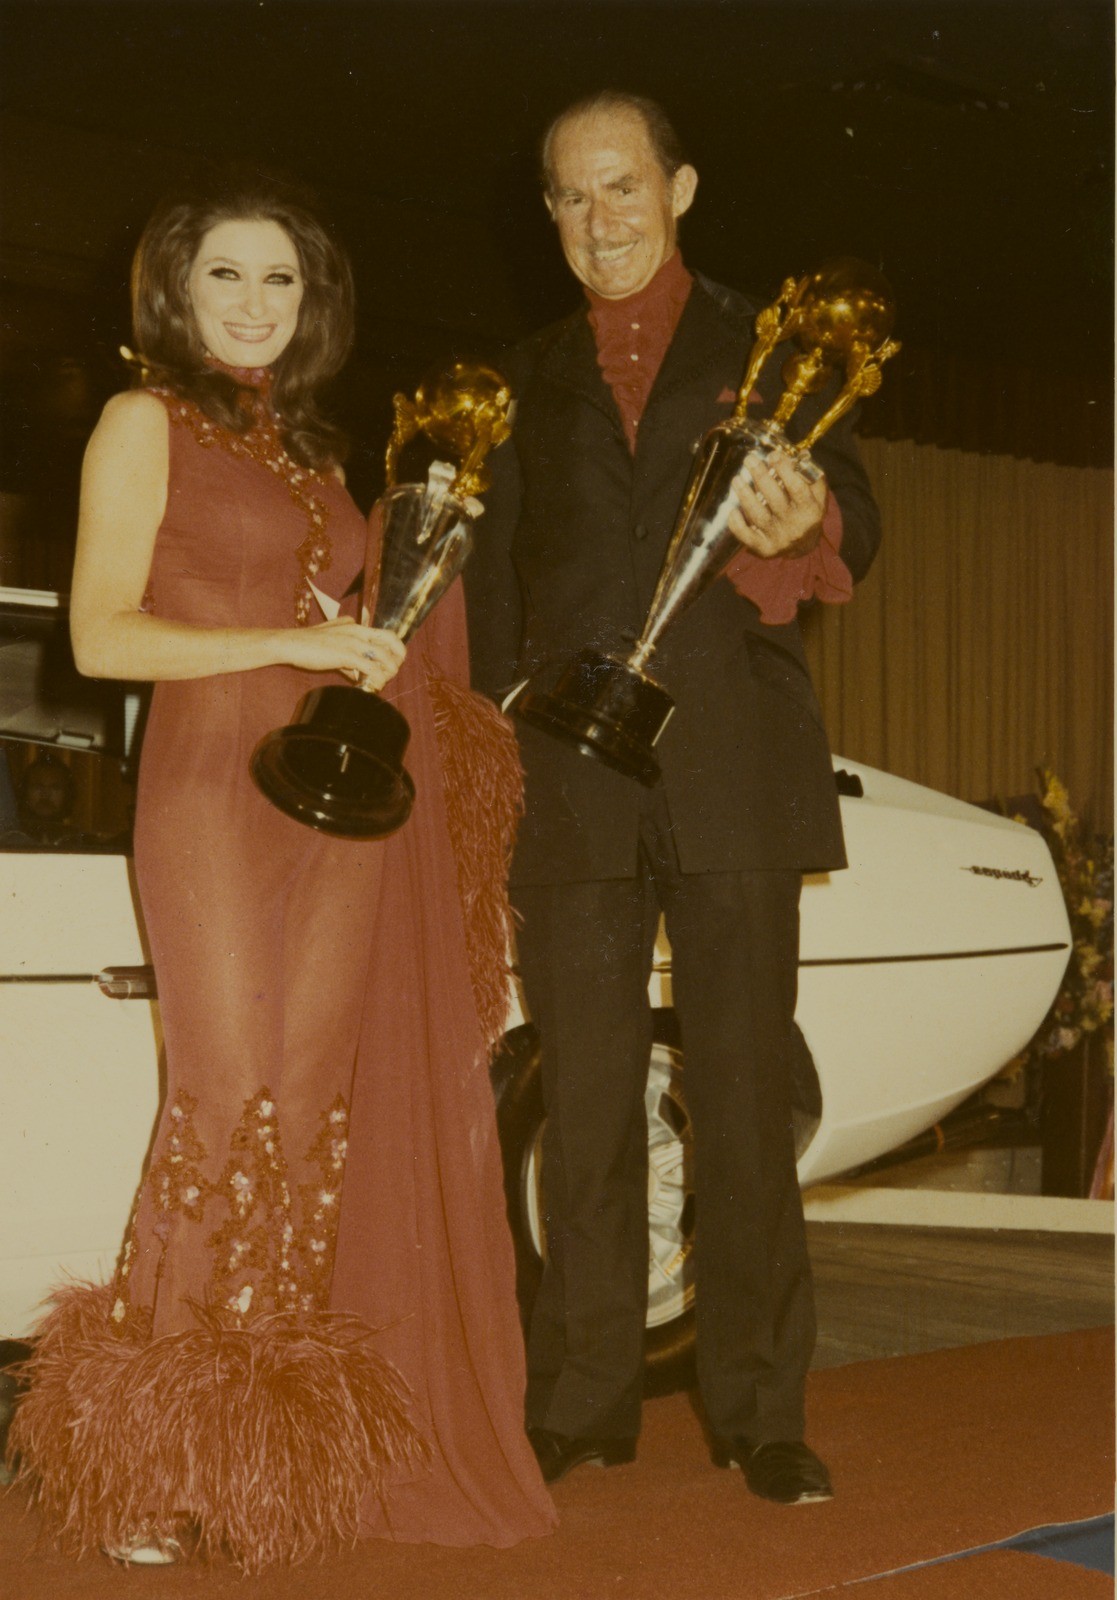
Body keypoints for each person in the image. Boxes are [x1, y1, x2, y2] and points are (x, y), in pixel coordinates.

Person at [7, 172, 554, 1570]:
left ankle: (249, 1458)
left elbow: (336, 618)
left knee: (307, 1120)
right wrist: (287, 648)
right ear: (175, 295)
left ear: (313, 309)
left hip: (335, 806)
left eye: (281, 282)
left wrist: (387, 620)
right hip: (209, 795)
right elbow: (103, 638)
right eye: (226, 278)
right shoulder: (143, 423)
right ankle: (144, 1461)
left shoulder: (313, 456)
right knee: (223, 1108)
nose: (254, 305)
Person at [463, 91, 883, 1504]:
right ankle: (578, 1402)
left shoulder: (775, 348)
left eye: (622, 189)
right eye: (570, 198)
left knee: (745, 1101)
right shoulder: (517, 377)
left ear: (680, 187)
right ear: (548, 212)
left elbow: (855, 517)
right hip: (568, 778)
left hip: (731, 774)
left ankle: (762, 1413)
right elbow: (484, 592)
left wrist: (808, 512)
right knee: (578, 1104)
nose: (599, 220)